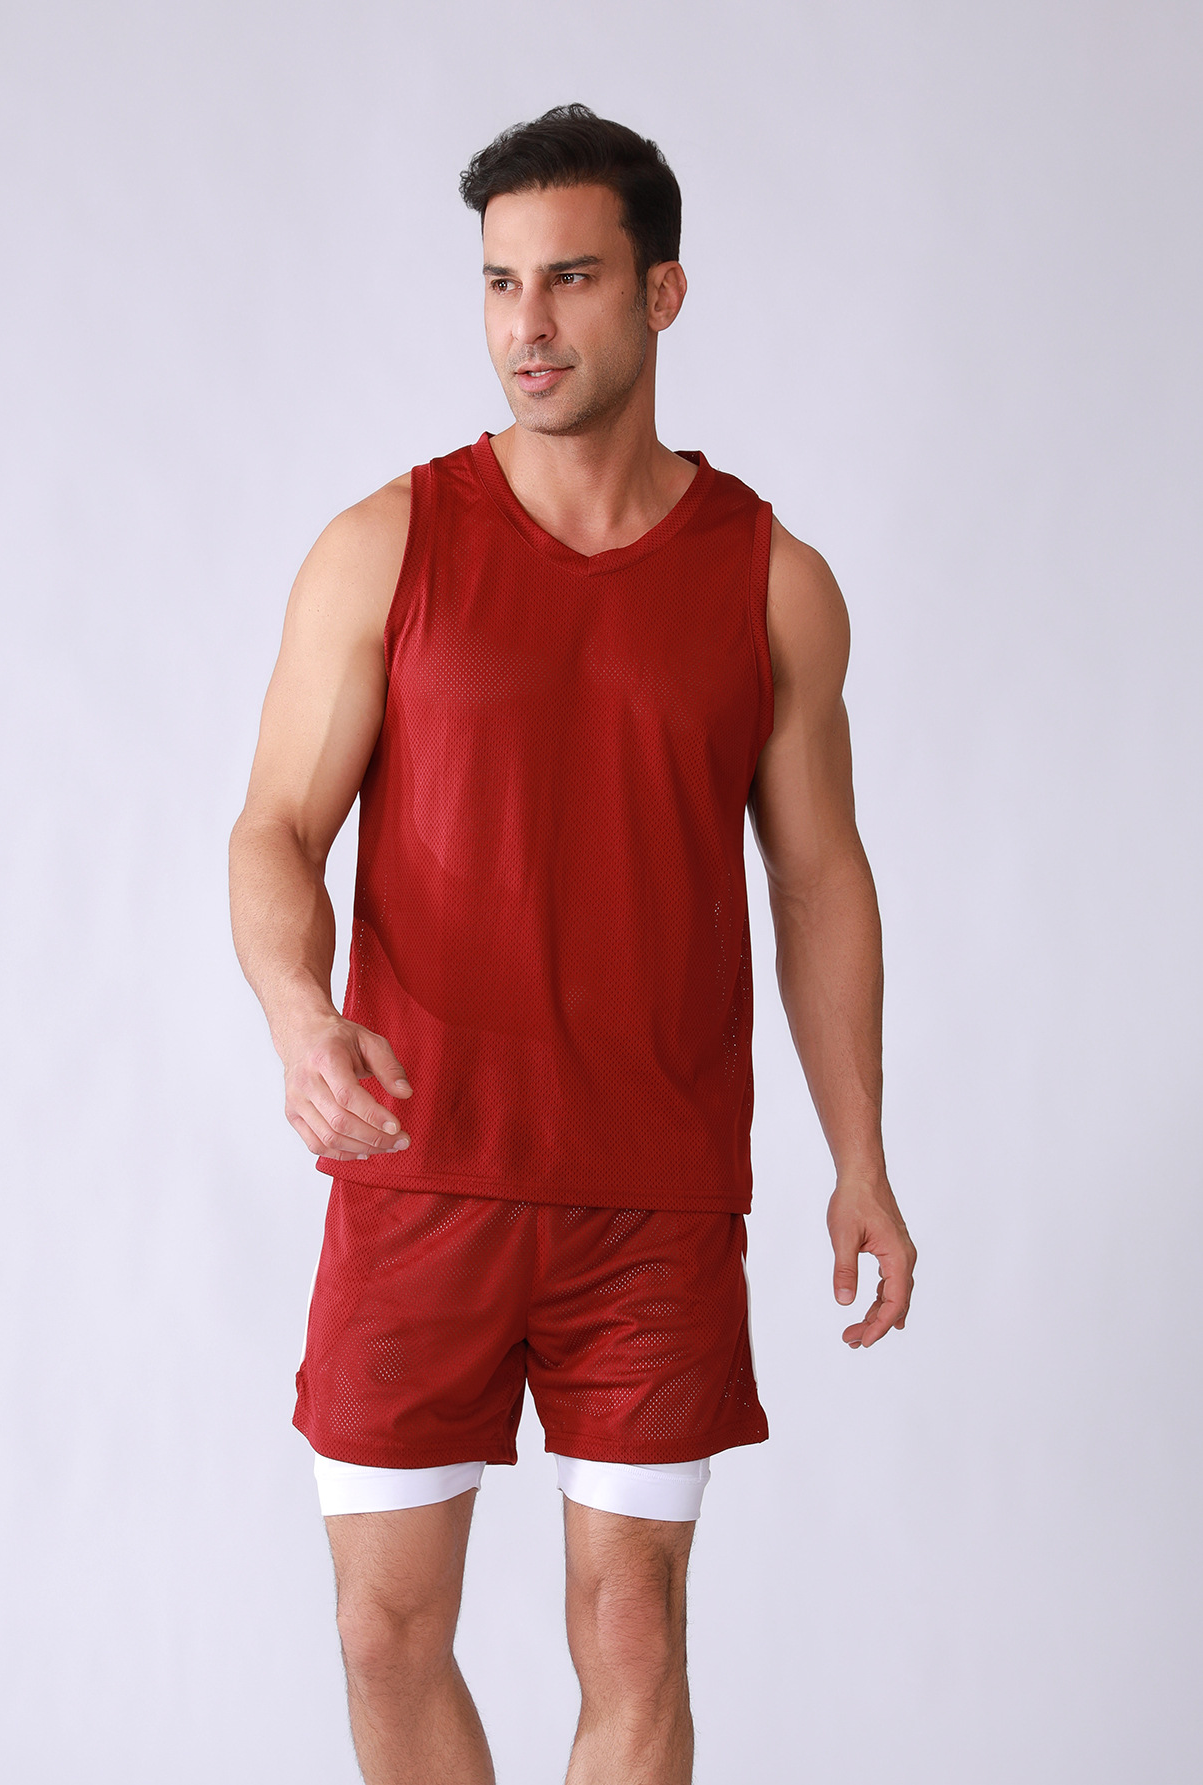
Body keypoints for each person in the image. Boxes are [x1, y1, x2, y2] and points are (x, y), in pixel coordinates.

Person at [228, 102, 916, 1785]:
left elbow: (819, 879)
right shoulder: (386, 545)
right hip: (420, 1170)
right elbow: (274, 833)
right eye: (499, 282)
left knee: (633, 1631)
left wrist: (861, 1154)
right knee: (384, 1632)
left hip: (650, 1196)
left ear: (662, 292)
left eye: (572, 279)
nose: (526, 324)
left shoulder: (771, 579)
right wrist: (300, 1015)